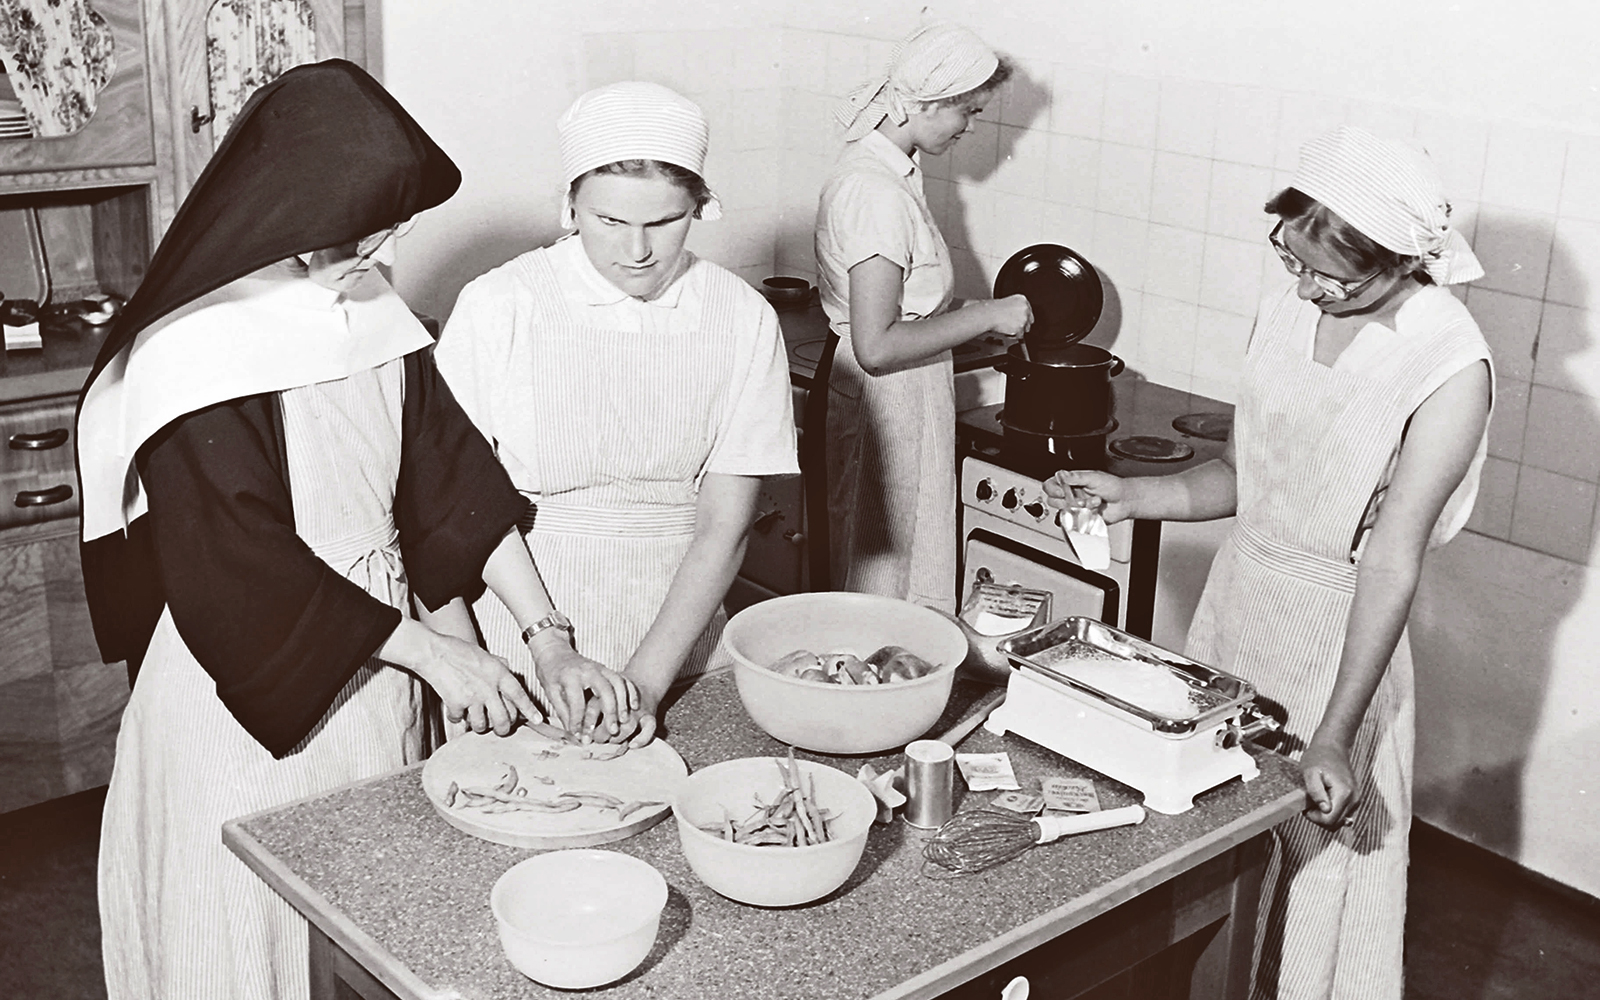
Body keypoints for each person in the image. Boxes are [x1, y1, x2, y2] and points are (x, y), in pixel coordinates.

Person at [77, 61, 629, 1000]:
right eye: (367, 227)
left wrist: (547, 639)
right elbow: (240, 571)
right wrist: (440, 657)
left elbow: (452, 483)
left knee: (356, 936)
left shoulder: (369, 311)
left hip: (377, 670)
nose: (385, 249)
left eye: (395, 228)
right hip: (245, 695)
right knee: (243, 947)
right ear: (293, 205)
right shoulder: (194, 353)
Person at [1047, 126, 1493, 999]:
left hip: (1340, 645)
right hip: (1238, 614)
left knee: (1314, 882)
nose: (1306, 286)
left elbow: (1391, 562)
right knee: (1214, 859)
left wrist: (1333, 731)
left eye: (1334, 275)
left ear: (1404, 260)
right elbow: (1248, 480)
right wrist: (1135, 496)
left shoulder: (1449, 364)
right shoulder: (1293, 306)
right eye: (1292, 258)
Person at [433, 81, 799, 746]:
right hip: (522, 624)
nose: (636, 252)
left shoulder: (742, 316)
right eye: (609, 222)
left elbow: (725, 526)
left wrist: (645, 686)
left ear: (700, 207)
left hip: (678, 631)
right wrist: (533, 655)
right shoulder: (500, 304)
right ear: (570, 205)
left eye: (663, 222)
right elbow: (454, 507)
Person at [815, 22, 1033, 613]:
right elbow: (878, 344)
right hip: (887, 399)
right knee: (881, 585)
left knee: (903, 572)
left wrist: (976, 317)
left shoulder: (892, 174)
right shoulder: (875, 191)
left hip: (906, 397)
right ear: (927, 103)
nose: (969, 127)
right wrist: (987, 311)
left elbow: (907, 305)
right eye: (968, 113)